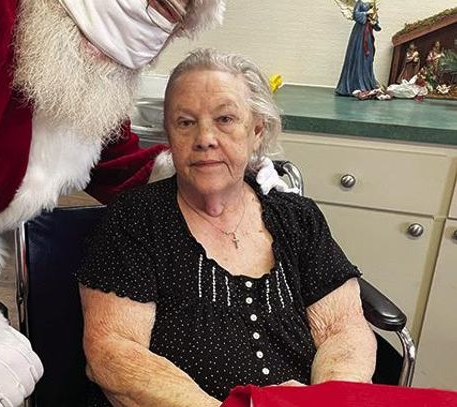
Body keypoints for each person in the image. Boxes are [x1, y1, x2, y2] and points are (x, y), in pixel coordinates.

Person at [0, 1, 230, 405]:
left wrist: (213, 177)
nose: (153, 22)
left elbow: (112, 159)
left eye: (173, 14)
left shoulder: (75, 63)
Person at [77, 48, 377, 407]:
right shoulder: (136, 220)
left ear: (256, 131)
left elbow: (344, 330)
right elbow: (113, 355)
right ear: (169, 137)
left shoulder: (298, 218)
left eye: (225, 119)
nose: (205, 138)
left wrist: (324, 401)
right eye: (185, 122)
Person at [335, 0, 381, 96]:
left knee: (367, 57)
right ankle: (354, 84)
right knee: (358, 55)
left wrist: (374, 21)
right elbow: (356, 15)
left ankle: (367, 83)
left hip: (368, 33)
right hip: (360, 33)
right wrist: (367, 13)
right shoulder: (360, 2)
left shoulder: (372, 2)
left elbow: (375, 18)